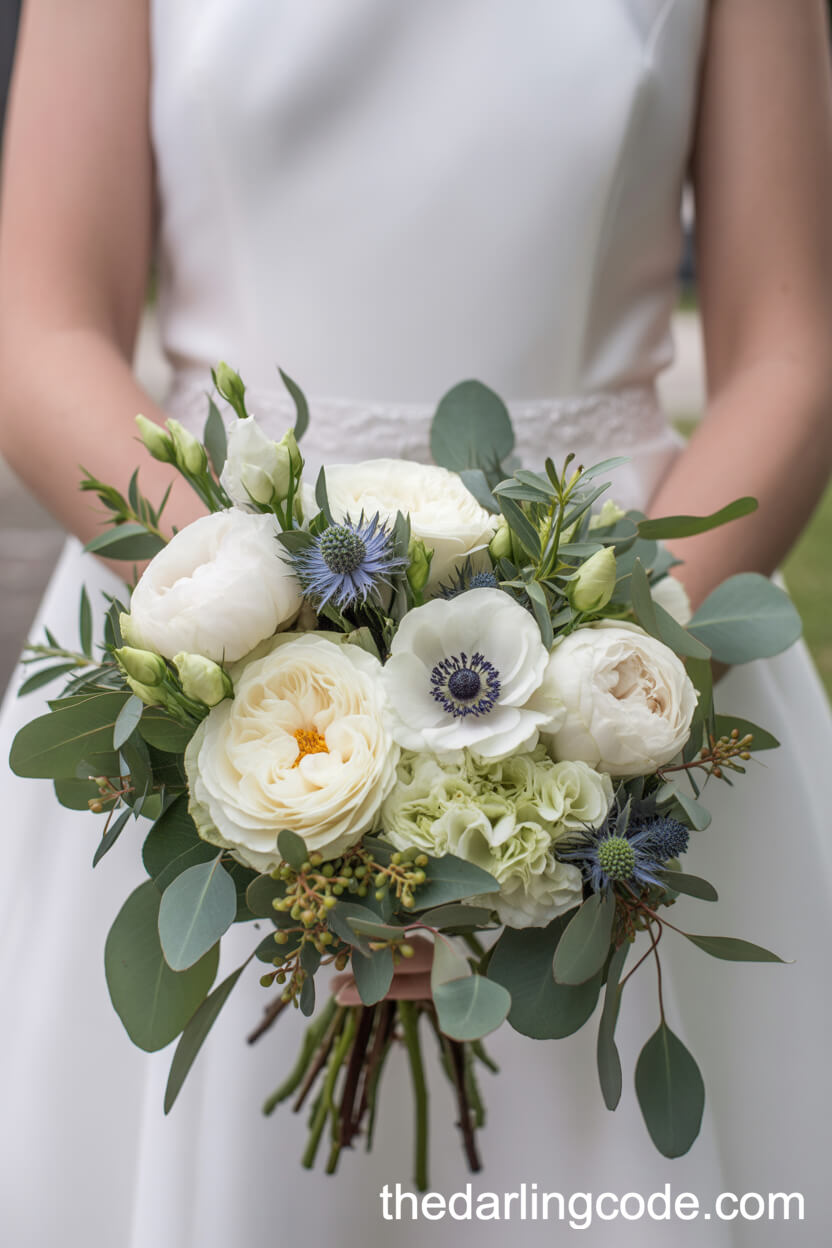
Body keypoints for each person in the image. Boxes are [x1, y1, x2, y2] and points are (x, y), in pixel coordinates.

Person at [0, 2, 830, 1245]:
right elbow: (41, 324)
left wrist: (595, 702)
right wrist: (260, 651)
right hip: (206, 611)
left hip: (625, 626)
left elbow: (791, 351)